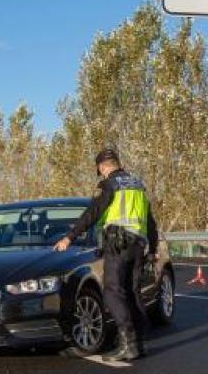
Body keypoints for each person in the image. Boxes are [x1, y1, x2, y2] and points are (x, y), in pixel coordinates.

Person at [53, 147, 159, 362]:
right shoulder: (137, 184)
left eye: (100, 170)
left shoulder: (109, 184)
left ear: (102, 167)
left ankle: (127, 344)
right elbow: (150, 221)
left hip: (118, 244)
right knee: (132, 292)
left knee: (112, 292)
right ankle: (140, 343)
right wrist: (154, 249)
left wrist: (69, 237)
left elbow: (93, 213)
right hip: (138, 244)